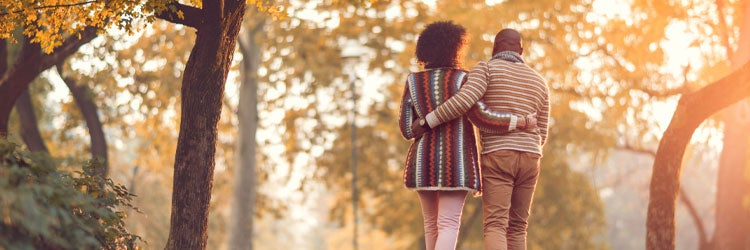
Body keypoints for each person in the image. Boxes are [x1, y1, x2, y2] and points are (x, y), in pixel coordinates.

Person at [398, 22, 534, 250]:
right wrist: (516, 121)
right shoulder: (463, 79)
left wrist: (423, 123)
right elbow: (482, 116)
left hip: (423, 162)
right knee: (448, 223)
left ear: (424, 49)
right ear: (455, 48)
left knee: (431, 225)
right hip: (456, 162)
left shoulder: (413, 81)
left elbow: (406, 129)